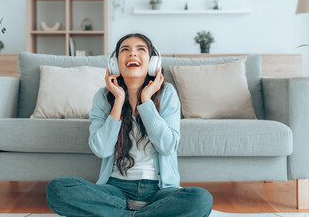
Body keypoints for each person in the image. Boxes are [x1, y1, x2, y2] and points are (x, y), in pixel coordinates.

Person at [46, 33, 213, 217]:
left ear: (153, 62)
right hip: (116, 191)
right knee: (58, 189)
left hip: (160, 192)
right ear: (114, 63)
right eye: (125, 50)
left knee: (201, 199)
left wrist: (146, 100)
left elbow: (167, 146)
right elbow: (101, 150)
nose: (132, 54)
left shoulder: (167, 94)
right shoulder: (103, 98)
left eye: (141, 49)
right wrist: (118, 100)